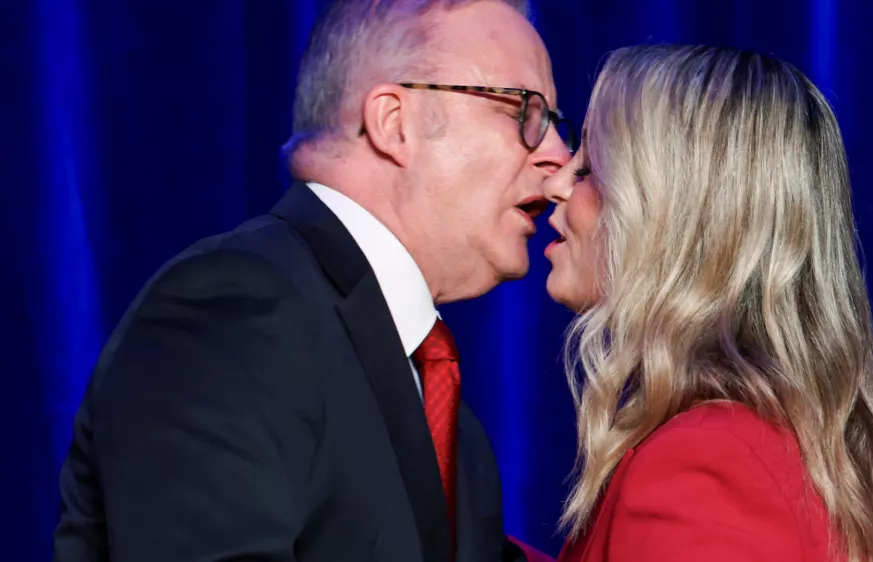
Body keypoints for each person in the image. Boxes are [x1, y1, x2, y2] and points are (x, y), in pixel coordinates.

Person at [52, 1, 572, 561]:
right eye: (525, 111)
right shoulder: (232, 312)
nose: (560, 160)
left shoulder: (442, 407)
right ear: (395, 123)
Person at [541, 44, 873, 562]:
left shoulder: (704, 465)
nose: (554, 182)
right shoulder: (758, 443)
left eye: (589, 168)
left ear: (672, 211)